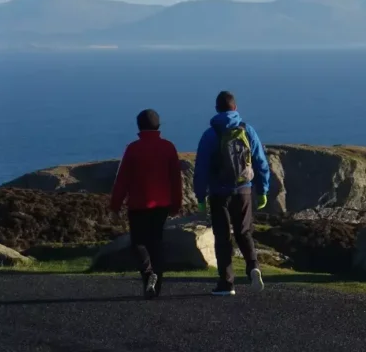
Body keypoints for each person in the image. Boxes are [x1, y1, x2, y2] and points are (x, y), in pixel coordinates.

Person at [193, 90, 270, 296]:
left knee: (223, 237)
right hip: (244, 190)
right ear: (235, 108)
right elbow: (261, 163)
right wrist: (263, 190)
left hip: (219, 193)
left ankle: (227, 284)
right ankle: (253, 266)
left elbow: (201, 168)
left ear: (217, 109)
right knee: (244, 232)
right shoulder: (248, 130)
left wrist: (200, 197)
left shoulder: (210, 134)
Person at [109, 109, 183, 299]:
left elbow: (122, 180)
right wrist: (176, 204)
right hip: (162, 204)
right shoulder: (168, 147)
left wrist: (115, 207)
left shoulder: (133, 148)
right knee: (156, 243)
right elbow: (176, 179)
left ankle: (148, 274)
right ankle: (155, 286)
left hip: (138, 204)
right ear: (158, 126)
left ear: (139, 126)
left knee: (139, 243)